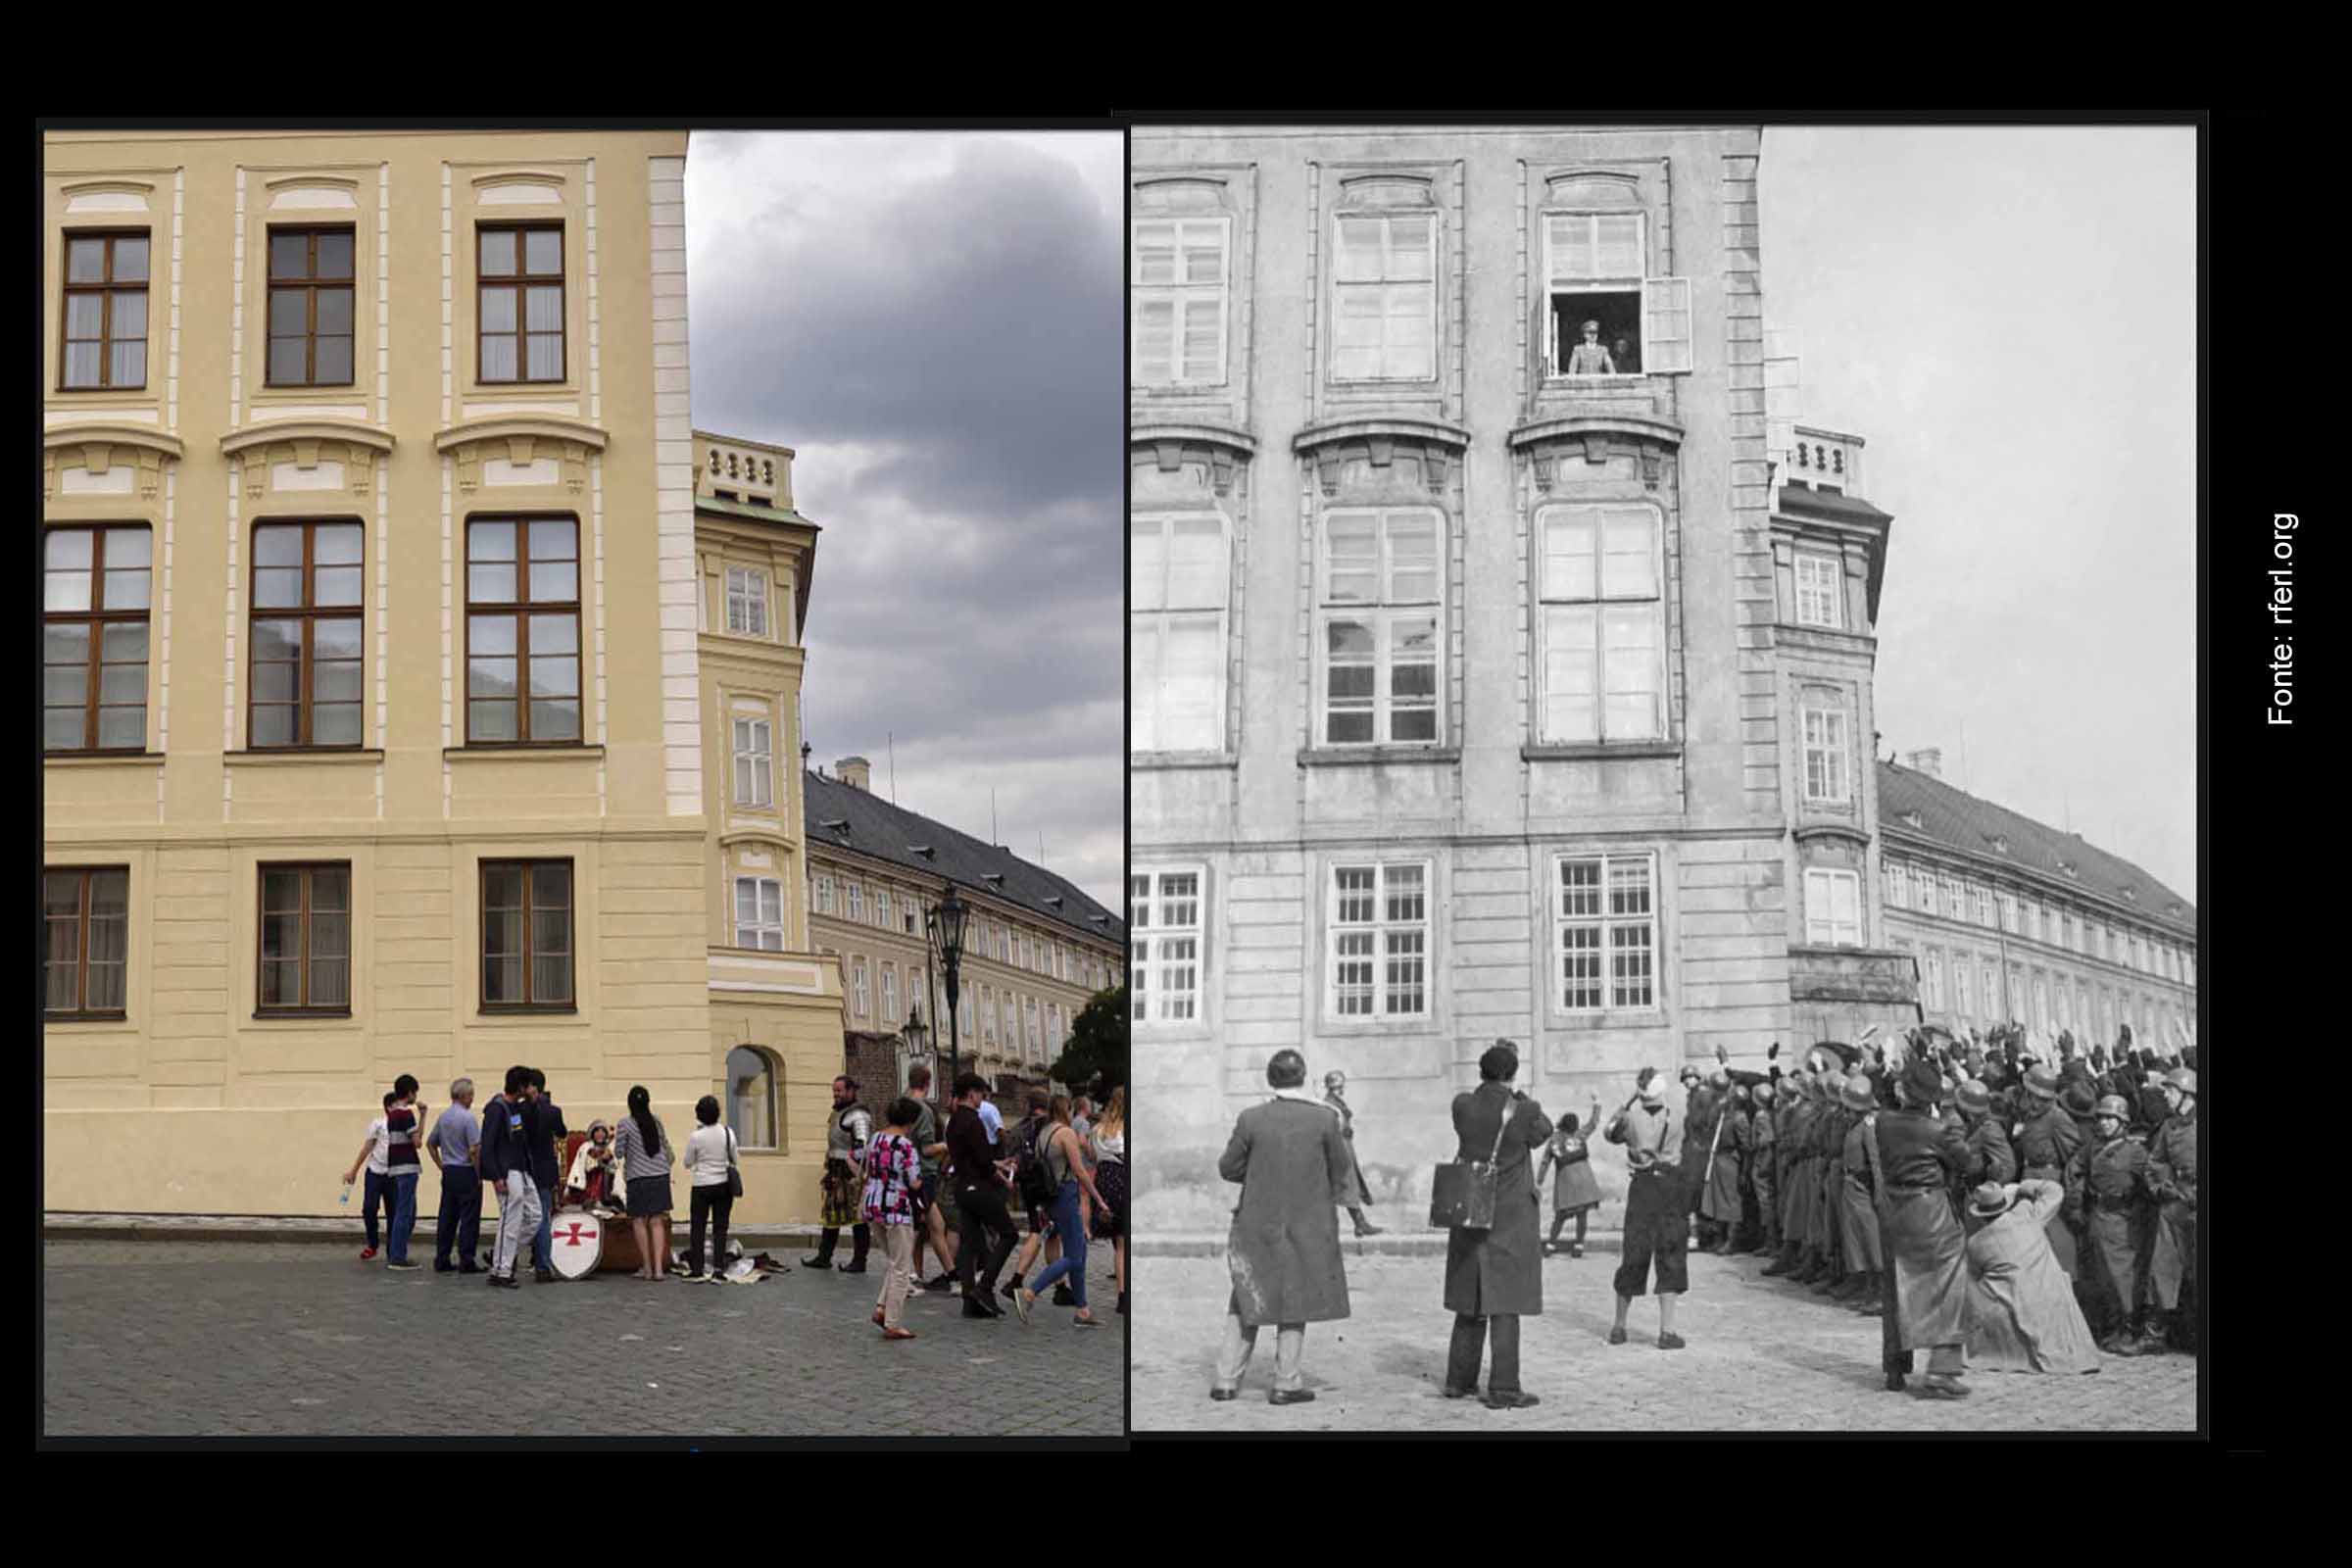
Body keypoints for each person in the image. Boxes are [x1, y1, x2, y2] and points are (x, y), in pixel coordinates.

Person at [1208, 1050, 1352, 1404]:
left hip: (1257, 1218)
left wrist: (1259, 1172)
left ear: (1271, 1080)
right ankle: (1286, 1383)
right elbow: (1341, 1168)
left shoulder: (1251, 1118)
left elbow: (1228, 1167)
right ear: (1303, 1077)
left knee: (1246, 1294)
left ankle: (1226, 1380)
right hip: (1307, 1220)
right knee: (1295, 1296)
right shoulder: (1324, 1119)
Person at [1446, 1042, 1553, 1406]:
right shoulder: (1524, 1110)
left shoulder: (1462, 1105)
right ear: (1512, 1074)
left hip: (1471, 1209)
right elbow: (1544, 1132)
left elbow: (1472, 1115)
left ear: (1481, 1071)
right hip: (1509, 1216)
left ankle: (1459, 1380)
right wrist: (1517, 1094)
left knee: (1469, 1298)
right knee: (1506, 1302)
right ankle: (1504, 1387)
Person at [1865, 1056, 1972, 1396]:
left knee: (1896, 1288)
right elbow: (1967, 1163)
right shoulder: (1939, 1130)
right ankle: (1942, 1369)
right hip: (1931, 1211)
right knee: (1951, 1286)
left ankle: (1894, 1370)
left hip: (1896, 1210)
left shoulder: (1882, 1122)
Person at [1961, 1180, 2102, 1374]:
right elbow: (2054, 1190)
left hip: (2015, 1305)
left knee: (1977, 1287)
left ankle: (1994, 1344)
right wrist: (2022, 1187)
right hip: (2051, 1299)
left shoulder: (1976, 1242)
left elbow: (1973, 1278)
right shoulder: (2026, 1214)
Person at [1604, 1067, 1686, 1352]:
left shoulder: (1629, 1118)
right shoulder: (1675, 1116)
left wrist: (1625, 1104)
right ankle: (1667, 1331)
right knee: (1670, 1252)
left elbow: (1609, 1133)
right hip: (1669, 1186)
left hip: (1641, 1187)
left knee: (1634, 1252)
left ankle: (1619, 1326)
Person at [1013, 1096, 1111, 1329]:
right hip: (1066, 1194)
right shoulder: (1065, 1133)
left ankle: (1083, 1309)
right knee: (1074, 1256)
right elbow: (1079, 1170)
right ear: (1066, 1109)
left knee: (1078, 1254)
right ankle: (1030, 1292)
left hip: (1051, 1198)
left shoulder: (1043, 1134)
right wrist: (1099, 1199)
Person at [2072, 1093, 2157, 1356]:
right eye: (2102, 1118)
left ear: (2123, 1122)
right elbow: (2075, 1167)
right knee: (2105, 1276)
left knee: (2125, 1276)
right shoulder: (2093, 1148)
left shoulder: (2135, 1151)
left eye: (2112, 1118)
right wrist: (2077, 1196)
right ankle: (2117, 1327)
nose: (2105, 1123)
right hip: (2099, 1215)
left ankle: (2131, 1328)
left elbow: (2150, 1183)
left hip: (2124, 1219)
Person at [947, 1073, 1015, 1320]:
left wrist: (999, 1163)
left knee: (969, 1242)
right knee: (1009, 1234)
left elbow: (970, 1157)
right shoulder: (973, 1121)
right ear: (971, 1093)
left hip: (962, 1186)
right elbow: (984, 1163)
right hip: (979, 1188)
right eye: (980, 1094)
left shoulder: (953, 1121)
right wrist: (1003, 1178)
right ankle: (984, 1287)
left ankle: (969, 1299)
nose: (982, 1099)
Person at [2141, 1067, 2198, 1354]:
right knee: (2162, 1268)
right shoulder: (2169, 1126)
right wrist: (2163, 1186)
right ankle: (2156, 1334)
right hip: (2174, 1204)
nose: (2165, 1095)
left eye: (2171, 1091)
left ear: (2187, 1094)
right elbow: (2156, 1161)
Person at [2014, 1064, 2085, 1279]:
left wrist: (2068, 1184)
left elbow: (2074, 1154)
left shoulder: (2057, 1117)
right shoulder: (2030, 1115)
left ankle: (2066, 1279)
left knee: (2055, 1234)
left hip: (2049, 1182)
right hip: (2031, 1181)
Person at [864, 1098, 925, 1340]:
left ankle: (881, 1309)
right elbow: (914, 1181)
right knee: (902, 1266)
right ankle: (893, 1322)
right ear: (911, 1121)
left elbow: (866, 1169)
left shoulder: (875, 1139)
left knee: (893, 1260)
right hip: (897, 1207)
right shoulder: (906, 1146)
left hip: (873, 1204)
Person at [804, 1076, 874, 1273]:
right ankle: (824, 1256)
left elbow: (863, 1146)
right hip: (835, 1172)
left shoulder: (858, 1115)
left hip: (852, 1173)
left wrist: (857, 1174)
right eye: (834, 1090)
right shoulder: (837, 1113)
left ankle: (860, 1261)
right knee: (831, 1216)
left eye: (839, 1091)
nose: (836, 1094)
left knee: (858, 1218)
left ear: (851, 1091)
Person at [479, 1065, 541, 1290]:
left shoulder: (516, 1108)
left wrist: (533, 1104)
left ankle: (500, 1254)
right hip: (507, 1172)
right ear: (521, 1087)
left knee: (535, 1217)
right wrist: (496, 1176)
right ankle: (502, 1270)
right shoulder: (497, 1109)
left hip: (521, 1169)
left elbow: (526, 1133)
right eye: (529, 1085)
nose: (532, 1089)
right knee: (510, 1219)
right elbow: (487, 1145)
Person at [1002, 1090, 1065, 1300]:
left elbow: (1010, 1159)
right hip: (1047, 1187)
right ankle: (1016, 1281)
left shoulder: (1018, 1129)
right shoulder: (1047, 1127)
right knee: (1038, 1231)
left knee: (1051, 1235)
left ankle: (1061, 1286)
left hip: (1029, 1187)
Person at [904, 1064, 957, 1294]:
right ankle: (903, 1276)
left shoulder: (903, 1104)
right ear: (928, 1083)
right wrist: (948, 1145)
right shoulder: (923, 1110)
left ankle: (952, 1275)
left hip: (909, 1171)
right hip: (923, 1173)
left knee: (936, 1225)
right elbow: (926, 1148)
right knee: (916, 1227)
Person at [614, 1085, 675, 1282]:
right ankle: (658, 1270)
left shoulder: (625, 1124)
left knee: (639, 1221)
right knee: (657, 1221)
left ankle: (647, 1268)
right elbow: (664, 1146)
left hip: (638, 1177)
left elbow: (619, 1152)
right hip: (660, 1175)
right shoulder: (656, 1121)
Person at [1836, 1074, 1886, 1313]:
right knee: (1857, 1240)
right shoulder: (1854, 1124)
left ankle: (1880, 1293)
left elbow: (1876, 1162)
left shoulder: (1869, 1126)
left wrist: (1879, 1194)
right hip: (1851, 1187)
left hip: (1863, 1188)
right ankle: (1867, 1289)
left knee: (1871, 1240)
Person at [426, 1078, 483, 1274]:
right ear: (464, 1096)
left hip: (449, 1171)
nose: (472, 1099)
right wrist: (478, 1175)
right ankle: (467, 1259)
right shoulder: (468, 1119)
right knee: (469, 1218)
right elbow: (475, 1149)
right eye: (471, 1095)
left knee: (447, 1217)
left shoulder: (443, 1117)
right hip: (466, 1171)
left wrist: (441, 1165)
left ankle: (442, 1257)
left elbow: (431, 1143)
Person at [1537, 1097, 1603, 1256]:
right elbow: (1593, 1123)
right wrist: (1597, 1104)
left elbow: (1545, 1161)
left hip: (1566, 1184)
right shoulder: (1579, 1136)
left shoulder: (1554, 1140)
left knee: (1560, 1217)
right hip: (1585, 1181)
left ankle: (1551, 1245)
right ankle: (1579, 1245)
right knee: (1582, 1215)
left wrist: (1539, 1180)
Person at [1321, 1070, 1384, 1238]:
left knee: (1349, 1185)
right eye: (1337, 1086)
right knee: (1346, 1185)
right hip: (1340, 1148)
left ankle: (1360, 1224)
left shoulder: (1334, 1102)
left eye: (1340, 1086)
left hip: (1345, 1146)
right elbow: (1334, 1127)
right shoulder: (1329, 1104)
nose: (1340, 1089)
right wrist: (1345, 1130)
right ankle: (1359, 1224)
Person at [683, 1095, 738, 1283]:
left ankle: (697, 1270)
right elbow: (735, 1159)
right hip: (723, 1184)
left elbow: (687, 1163)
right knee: (720, 1228)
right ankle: (718, 1269)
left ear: (699, 1114)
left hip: (701, 1185)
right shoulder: (727, 1132)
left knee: (698, 1227)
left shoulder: (695, 1136)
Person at [520, 1068, 566, 1282]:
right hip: (545, 1169)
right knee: (543, 1218)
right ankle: (542, 1264)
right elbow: (562, 1132)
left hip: (525, 1167)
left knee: (525, 1217)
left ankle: (521, 1260)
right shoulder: (553, 1111)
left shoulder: (518, 1110)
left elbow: (517, 1134)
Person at [343, 1092, 397, 1262]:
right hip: (374, 1172)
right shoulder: (379, 1124)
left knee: (393, 1213)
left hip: (393, 1175)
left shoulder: (403, 1125)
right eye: (397, 1105)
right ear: (389, 1107)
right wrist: (354, 1171)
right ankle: (372, 1244)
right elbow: (366, 1148)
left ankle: (392, 1248)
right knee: (369, 1208)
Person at [379, 1075, 426, 1271]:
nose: (416, 1096)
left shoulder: (391, 1114)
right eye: (415, 1092)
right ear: (409, 1093)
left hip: (395, 1166)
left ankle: (397, 1252)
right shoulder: (406, 1114)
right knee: (404, 1212)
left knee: (405, 1211)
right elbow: (417, 1142)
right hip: (407, 1166)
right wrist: (423, 1115)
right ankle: (398, 1256)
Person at [1092, 1086, 1129, 1314]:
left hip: (1105, 1182)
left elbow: (1094, 1157)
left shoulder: (1098, 1130)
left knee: (1119, 1244)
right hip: (1124, 1180)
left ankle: (1122, 1294)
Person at [1701, 1076, 1746, 1254]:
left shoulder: (1738, 1117)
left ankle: (1731, 1241)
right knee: (1717, 1200)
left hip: (1730, 1159)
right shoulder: (1721, 1111)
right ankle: (1719, 1239)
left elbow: (1746, 1146)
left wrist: (1744, 1170)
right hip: (1718, 1158)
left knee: (1731, 1201)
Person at [1744, 1077, 1779, 1255]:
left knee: (1766, 1204)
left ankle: (1770, 1243)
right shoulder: (1771, 1113)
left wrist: (1761, 1167)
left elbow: (1766, 1140)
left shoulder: (1761, 1116)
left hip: (1762, 1161)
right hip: (1764, 1160)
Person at [564, 1120, 623, 1213]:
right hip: (590, 1181)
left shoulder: (610, 1148)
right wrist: (601, 1161)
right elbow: (587, 1166)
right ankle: (594, 1200)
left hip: (609, 1183)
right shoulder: (586, 1147)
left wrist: (610, 1160)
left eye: (602, 1131)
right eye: (597, 1131)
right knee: (600, 1173)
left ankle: (609, 1201)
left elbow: (617, 1167)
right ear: (592, 1134)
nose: (600, 1134)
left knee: (608, 1172)